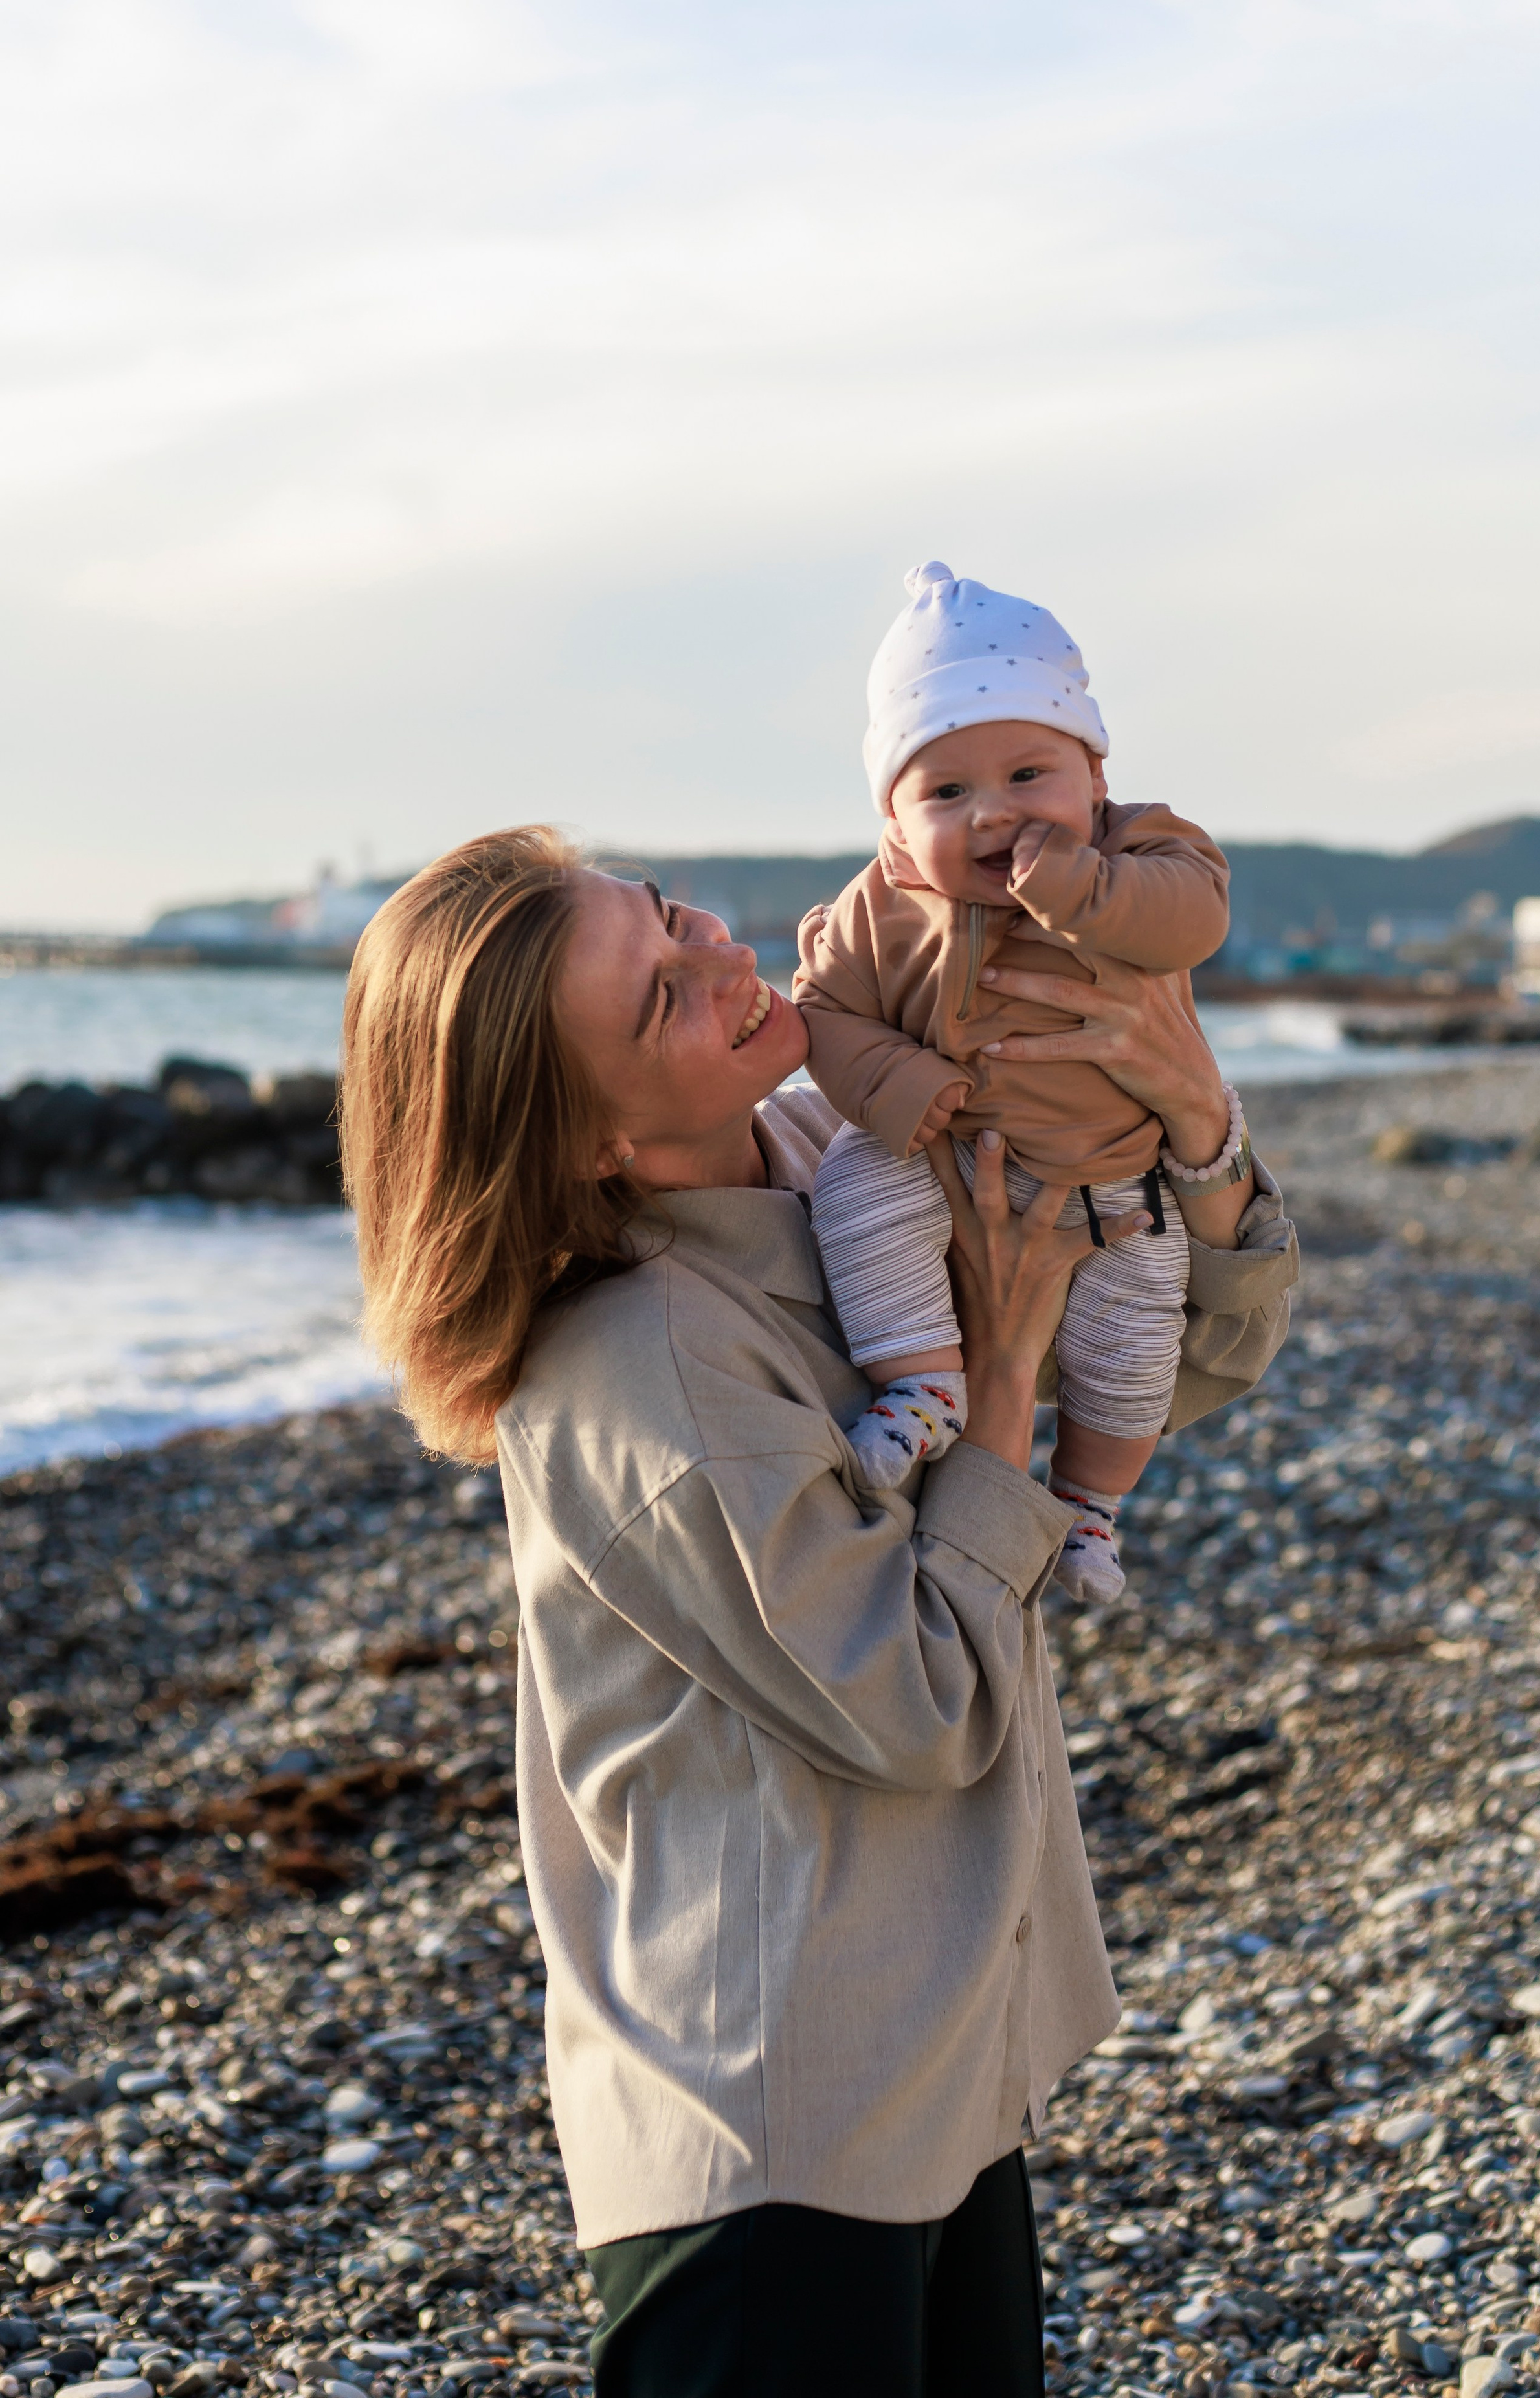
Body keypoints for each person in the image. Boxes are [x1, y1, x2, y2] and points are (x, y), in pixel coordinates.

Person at [339, 824, 1297, 2398]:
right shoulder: (646, 1373)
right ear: (589, 1142)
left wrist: (1194, 1123)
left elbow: (1180, 1355)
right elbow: (917, 1705)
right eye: (658, 997)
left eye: (670, 915)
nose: (720, 957)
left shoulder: (832, 1162)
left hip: (936, 2061)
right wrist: (999, 1381)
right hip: (775, 2140)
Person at [798, 561, 1237, 1609]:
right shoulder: (878, 906)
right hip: (943, 1154)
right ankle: (923, 1382)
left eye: (1029, 776)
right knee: (855, 1187)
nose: (994, 814)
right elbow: (824, 1013)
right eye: (947, 793)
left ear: (1095, 775)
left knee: (1133, 1344)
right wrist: (894, 1080)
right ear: (896, 822)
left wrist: (1087, 889)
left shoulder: (1143, 849)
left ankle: (1089, 1503)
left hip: (1118, 1178)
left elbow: (1195, 919)